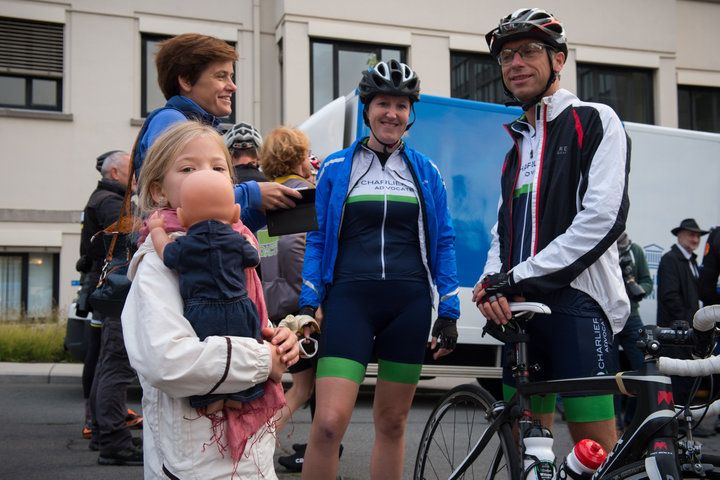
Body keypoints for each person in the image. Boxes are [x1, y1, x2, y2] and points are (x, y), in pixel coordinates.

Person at [472, 8, 630, 453]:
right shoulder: (516, 147)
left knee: (594, 451)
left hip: (578, 304)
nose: (515, 63)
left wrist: (515, 278)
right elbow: (501, 232)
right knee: (525, 450)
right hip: (519, 310)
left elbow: (602, 219)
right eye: (506, 56)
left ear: (558, 60)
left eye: (528, 51)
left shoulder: (596, 120)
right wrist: (492, 282)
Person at [299, 60, 460, 480]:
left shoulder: (426, 171)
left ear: (411, 114)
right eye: (383, 103)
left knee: (391, 423)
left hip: (408, 304)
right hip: (350, 300)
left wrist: (450, 307)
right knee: (329, 422)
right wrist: (308, 303)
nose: (392, 113)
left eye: (401, 105)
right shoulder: (336, 167)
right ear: (367, 109)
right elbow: (316, 239)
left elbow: (444, 239)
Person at [122, 121, 300, 479]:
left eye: (219, 168)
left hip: (251, 456)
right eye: (188, 168)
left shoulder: (239, 242)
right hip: (194, 460)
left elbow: (248, 317)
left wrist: (278, 339)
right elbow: (167, 361)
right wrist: (265, 361)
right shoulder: (157, 262)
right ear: (159, 192)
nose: (207, 176)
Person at [147, 169, 280, 418]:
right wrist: (250, 243)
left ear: (182, 216)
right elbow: (253, 258)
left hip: (202, 310)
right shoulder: (237, 240)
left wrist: (156, 231)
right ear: (235, 213)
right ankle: (239, 399)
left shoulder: (183, 244)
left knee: (212, 361)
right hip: (240, 307)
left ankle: (213, 401)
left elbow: (166, 255)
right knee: (244, 349)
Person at [132, 33, 299, 231]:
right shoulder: (171, 120)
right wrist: (251, 193)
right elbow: (185, 199)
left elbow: (212, 225)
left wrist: (261, 210)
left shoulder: (184, 123)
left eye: (231, 76)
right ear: (186, 81)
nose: (233, 86)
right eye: (221, 76)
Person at [254, 127, 322, 472]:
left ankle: (262, 442)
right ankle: (258, 443)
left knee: (292, 385)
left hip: (271, 308)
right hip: (306, 308)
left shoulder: (266, 202)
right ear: (298, 156)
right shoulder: (307, 195)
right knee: (306, 388)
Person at [82, 151, 144, 465]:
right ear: (116, 172)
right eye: (132, 173)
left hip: (111, 290)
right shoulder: (110, 203)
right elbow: (131, 238)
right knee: (115, 365)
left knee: (107, 363)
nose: (136, 179)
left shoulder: (104, 199)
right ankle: (114, 442)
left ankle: (105, 432)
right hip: (118, 292)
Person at [657, 218, 709, 408]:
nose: (695, 239)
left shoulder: (692, 261)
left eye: (697, 236)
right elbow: (670, 297)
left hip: (688, 333)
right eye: (691, 235)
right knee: (679, 381)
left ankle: (684, 420)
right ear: (679, 236)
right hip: (677, 333)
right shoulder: (670, 259)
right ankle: (678, 423)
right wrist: (692, 324)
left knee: (687, 379)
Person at [613, 232, 652, 431]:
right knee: (609, 374)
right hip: (607, 317)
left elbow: (647, 282)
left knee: (643, 368)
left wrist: (636, 288)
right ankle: (614, 425)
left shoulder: (634, 250)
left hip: (632, 316)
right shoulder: (602, 248)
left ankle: (631, 420)